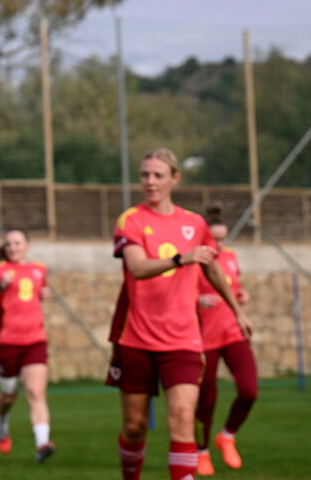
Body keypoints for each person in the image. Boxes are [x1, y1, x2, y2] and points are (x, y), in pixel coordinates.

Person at [106, 147, 253, 480]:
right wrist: (179, 259)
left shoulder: (194, 223)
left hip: (183, 339)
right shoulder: (131, 220)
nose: (150, 181)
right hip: (136, 337)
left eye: (158, 175)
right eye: (145, 175)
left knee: (184, 419)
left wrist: (236, 311)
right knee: (135, 426)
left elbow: (211, 267)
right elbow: (137, 268)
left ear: (175, 179)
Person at [0, 228, 55, 463]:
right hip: (6, 342)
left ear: (27, 246)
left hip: (35, 340)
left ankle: (42, 444)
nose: (13, 247)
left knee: (36, 392)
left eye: (18, 243)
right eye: (9, 244)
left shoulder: (39, 269)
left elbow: (38, 292)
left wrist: (45, 293)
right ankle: (2, 422)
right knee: (9, 396)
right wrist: (0, 287)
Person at [194, 202, 258, 476]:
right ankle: (201, 452)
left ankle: (227, 436)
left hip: (233, 333)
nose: (219, 245)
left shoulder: (230, 257)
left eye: (223, 239)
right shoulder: (194, 261)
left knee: (249, 390)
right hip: (204, 339)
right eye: (215, 239)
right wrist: (196, 300)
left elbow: (234, 287)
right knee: (206, 402)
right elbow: (179, 294)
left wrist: (242, 296)